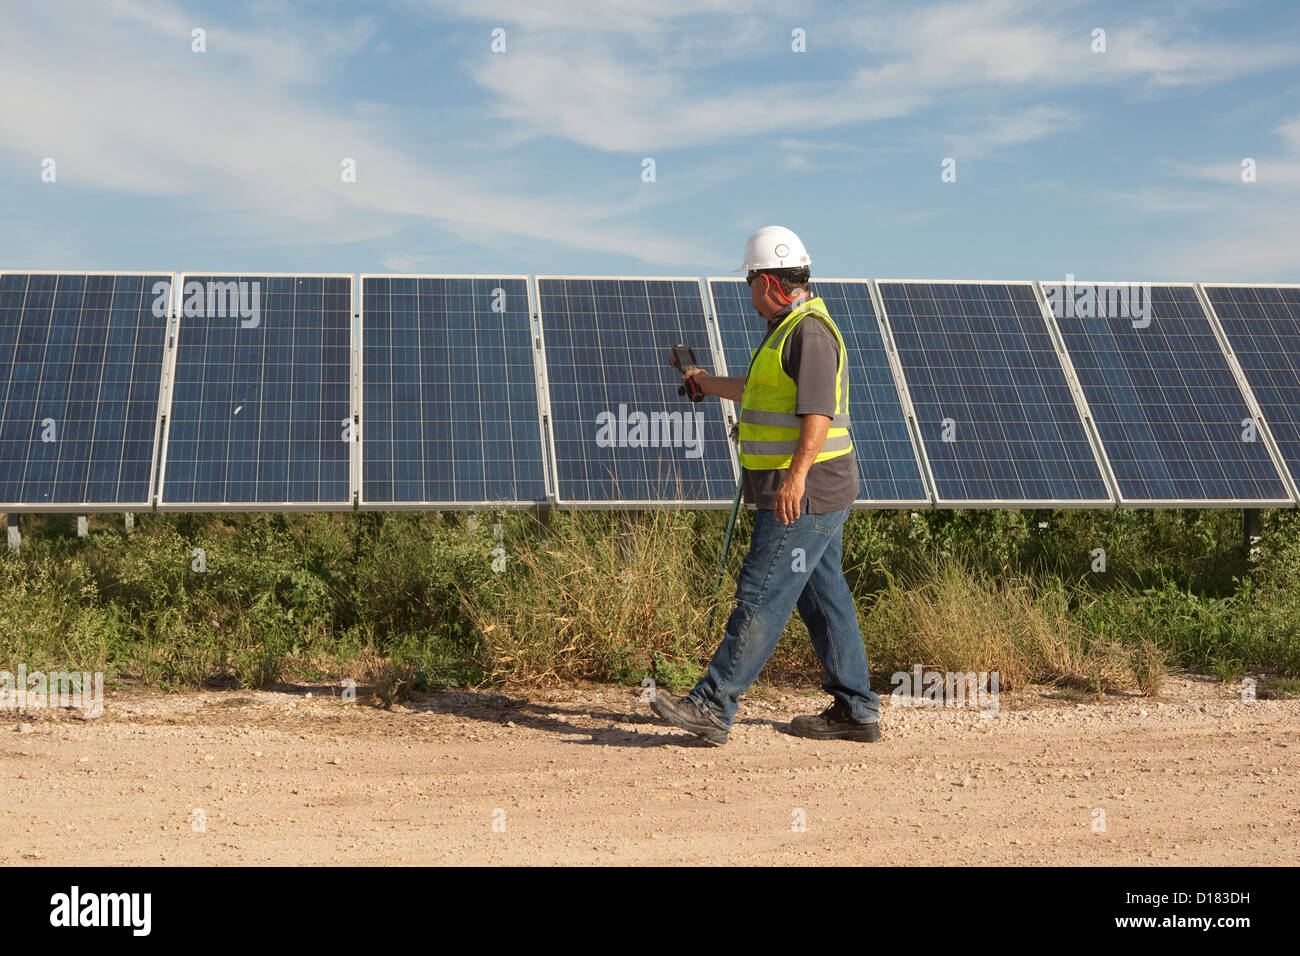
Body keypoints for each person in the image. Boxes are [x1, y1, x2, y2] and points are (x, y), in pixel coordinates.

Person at [651, 225, 882, 745]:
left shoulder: (809, 333)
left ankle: (713, 705)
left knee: (761, 592)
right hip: (815, 490)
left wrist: (795, 480)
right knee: (823, 596)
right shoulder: (786, 329)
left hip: (804, 492)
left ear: (769, 282)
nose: (748, 289)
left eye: (750, 278)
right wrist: (707, 385)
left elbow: (818, 414)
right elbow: (761, 393)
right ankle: (857, 709)